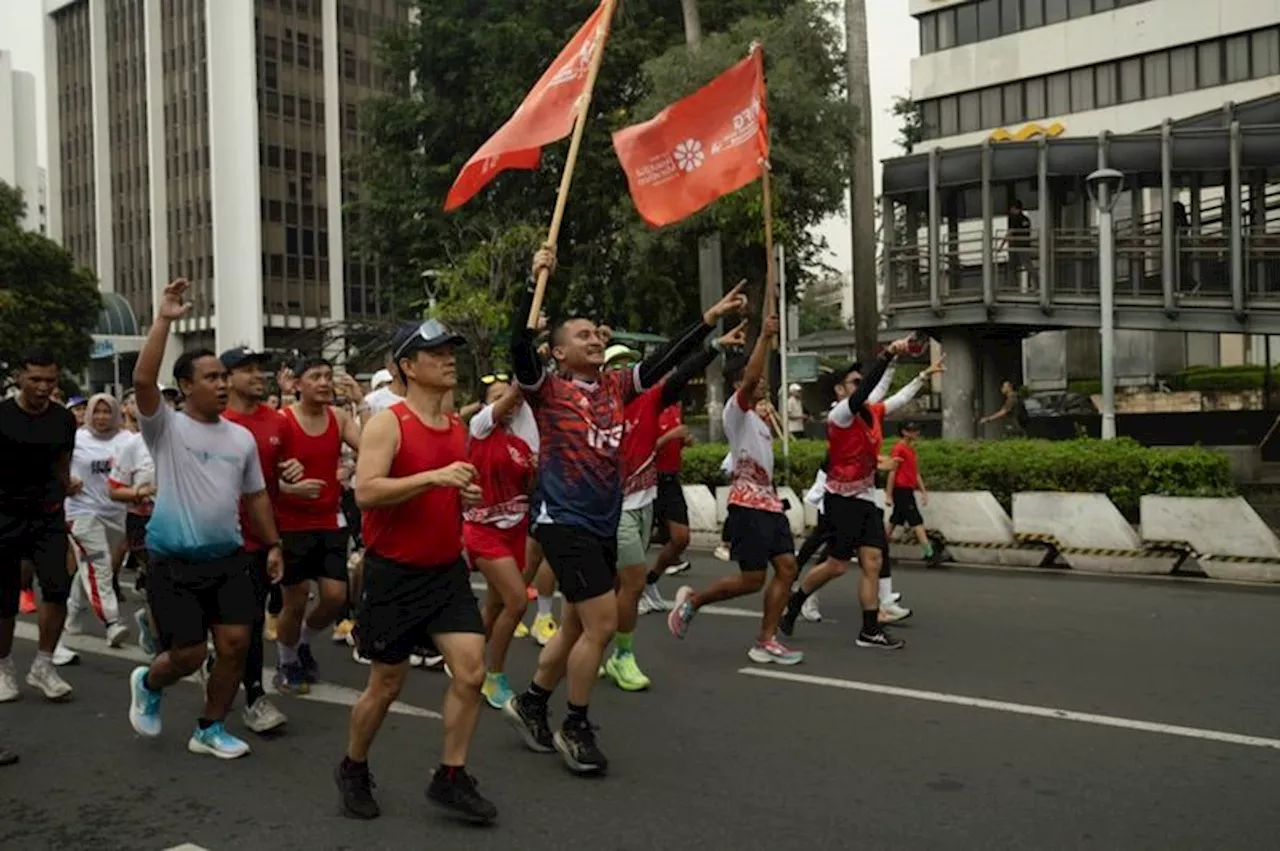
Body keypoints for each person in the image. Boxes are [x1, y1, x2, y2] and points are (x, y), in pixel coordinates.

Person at [503, 246, 746, 775]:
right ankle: (576, 725)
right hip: (562, 521)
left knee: (573, 628)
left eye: (597, 333)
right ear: (559, 353)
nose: (595, 338)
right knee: (602, 625)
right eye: (581, 336)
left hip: (601, 521)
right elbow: (518, 345)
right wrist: (532, 281)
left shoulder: (616, 386)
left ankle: (531, 702)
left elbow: (664, 365)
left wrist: (706, 322)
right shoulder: (546, 389)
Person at [337, 319, 494, 823]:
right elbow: (366, 491)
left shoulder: (455, 427)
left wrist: (461, 491)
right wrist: (434, 478)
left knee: (471, 672)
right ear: (408, 366)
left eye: (451, 350)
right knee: (386, 685)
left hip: (445, 572)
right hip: (393, 575)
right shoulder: (390, 423)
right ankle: (353, 767)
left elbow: (445, 487)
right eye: (436, 352)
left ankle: (451, 776)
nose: (449, 359)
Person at [126, 278, 284, 759]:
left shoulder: (240, 439)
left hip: (230, 558)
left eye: (223, 377)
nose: (221, 384)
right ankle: (149, 682)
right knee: (189, 654)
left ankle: (209, 728)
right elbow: (141, 382)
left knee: (235, 644)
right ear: (187, 386)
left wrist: (274, 544)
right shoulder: (165, 428)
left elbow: (255, 496)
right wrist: (164, 319)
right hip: (172, 561)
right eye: (211, 378)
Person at [605, 322, 746, 692]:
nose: (623, 371)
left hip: (646, 499)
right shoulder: (599, 409)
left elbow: (681, 372)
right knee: (631, 583)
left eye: (627, 365)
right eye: (614, 366)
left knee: (620, 585)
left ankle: (601, 647)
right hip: (611, 506)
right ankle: (622, 656)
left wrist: (714, 345)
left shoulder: (652, 399)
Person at [779, 342, 943, 648]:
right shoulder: (840, 415)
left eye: (859, 380)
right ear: (841, 390)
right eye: (853, 382)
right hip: (841, 501)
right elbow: (870, 385)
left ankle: (870, 630)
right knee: (837, 565)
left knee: (873, 560)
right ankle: (796, 600)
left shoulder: (871, 412)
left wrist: (920, 377)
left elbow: (893, 396)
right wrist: (888, 354)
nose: (860, 385)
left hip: (866, 498)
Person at [667, 313, 804, 665]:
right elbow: (750, 381)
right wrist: (764, 339)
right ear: (739, 383)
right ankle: (694, 600)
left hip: (770, 505)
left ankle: (766, 640)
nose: (761, 383)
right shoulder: (736, 412)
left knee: (788, 567)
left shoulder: (760, 419)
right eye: (752, 379)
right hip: (747, 507)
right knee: (752, 580)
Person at [272, 358, 361, 693]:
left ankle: (303, 643)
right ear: (297, 385)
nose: (324, 382)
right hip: (291, 524)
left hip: (329, 519)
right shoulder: (282, 422)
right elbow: (260, 475)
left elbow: (371, 447)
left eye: (328, 376)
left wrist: (361, 403)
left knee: (336, 597)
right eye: (315, 377)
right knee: (294, 602)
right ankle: (287, 660)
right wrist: (288, 487)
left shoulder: (338, 418)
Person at [220, 346, 294, 734]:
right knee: (221, 625)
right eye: (246, 370)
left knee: (249, 619)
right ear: (227, 378)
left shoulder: (276, 422)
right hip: (216, 537)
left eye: (259, 369)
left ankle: (253, 697)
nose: (257, 376)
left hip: (260, 538)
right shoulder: (215, 422)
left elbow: (280, 475)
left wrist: (292, 473)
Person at [0, 350, 79, 703]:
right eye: (36, 379)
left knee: (57, 587)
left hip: (48, 515)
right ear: (19, 377)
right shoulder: (2, 415)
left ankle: (44, 665)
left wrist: (66, 505)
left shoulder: (63, 420)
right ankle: (3, 668)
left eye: (50, 380)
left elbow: (64, 465)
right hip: (5, 515)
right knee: (4, 602)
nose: (44, 387)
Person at [463, 373, 539, 710]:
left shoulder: (525, 435)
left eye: (510, 397)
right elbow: (514, 395)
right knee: (517, 601)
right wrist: (531, 366)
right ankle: (494, 675)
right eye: (497, 396)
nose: (508, 402)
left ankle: (465, 660)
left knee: (494, 606)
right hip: (483, 530)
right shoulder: (480, 427)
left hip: (516, 530)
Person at [64, 394, 135, 648]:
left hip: (116, 513)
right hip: (81, 511)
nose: (102, 417)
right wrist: (66, 482)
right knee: (99, 565)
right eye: (97, 412)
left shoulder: (127, 440)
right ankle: (112, 622)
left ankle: (72, 614)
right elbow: (56, 466)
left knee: (91, 568)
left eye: (107, 412)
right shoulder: (75, 439)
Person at [108, 412, 160, 655]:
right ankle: (163, 643)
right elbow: (114, 491)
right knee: (157, 580)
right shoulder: (133, 445)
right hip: (142, 521)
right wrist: (142, 492)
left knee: (177, 581)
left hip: (177, 520)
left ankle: (152, 623)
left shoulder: (182, 442)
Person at [652, 401, 694, 581]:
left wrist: (684, 442)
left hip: (671, 480)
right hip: (649, 482)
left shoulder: (676, 407)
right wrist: (671, 436)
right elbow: (644, 448)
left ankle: (652, 577)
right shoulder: (649, 407)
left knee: (681, 538)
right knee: (637, 543)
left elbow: (676, 443)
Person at [886, 421, 934, 566]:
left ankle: (878, 550)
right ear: (904, 432)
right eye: (912, 430)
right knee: (916, 520)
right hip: (901, 490)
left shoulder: (910, 449)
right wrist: (889, 495)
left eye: (917, 430)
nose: (916, 433)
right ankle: (929, 553)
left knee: (894, 521)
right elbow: (892, 472)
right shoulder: (899, 449)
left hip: (907, 489)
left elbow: (915, 473)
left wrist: (923, 491)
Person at [1006, 199, 1035, 288]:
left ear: (1015, 208)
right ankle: (1034, 285)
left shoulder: (1014, 219)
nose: (1010, 211)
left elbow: (1010, 232)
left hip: (1016, 246)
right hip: (1026, 245)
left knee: (1012, 268)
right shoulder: (1026, 219)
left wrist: (1001, 245)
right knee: (1028, 266)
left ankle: (1013, 287)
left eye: (1011, 208)